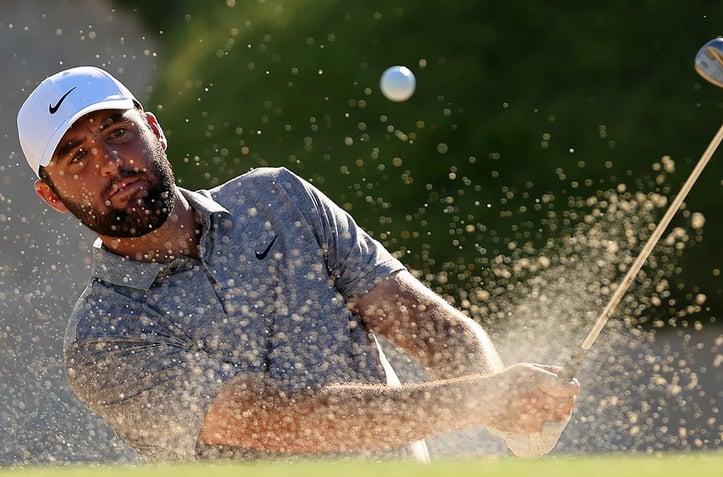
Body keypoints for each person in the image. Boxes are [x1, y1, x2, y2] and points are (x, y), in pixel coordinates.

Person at [16, 66, 579, 462]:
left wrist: (517, 413)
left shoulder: (276, 199)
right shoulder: (103, 339)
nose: (113, 163)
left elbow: (423, 321)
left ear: (154, 131)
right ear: (53, 196)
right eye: (79, 157)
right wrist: (483, 399)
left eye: (118, 132)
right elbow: (282, 419)